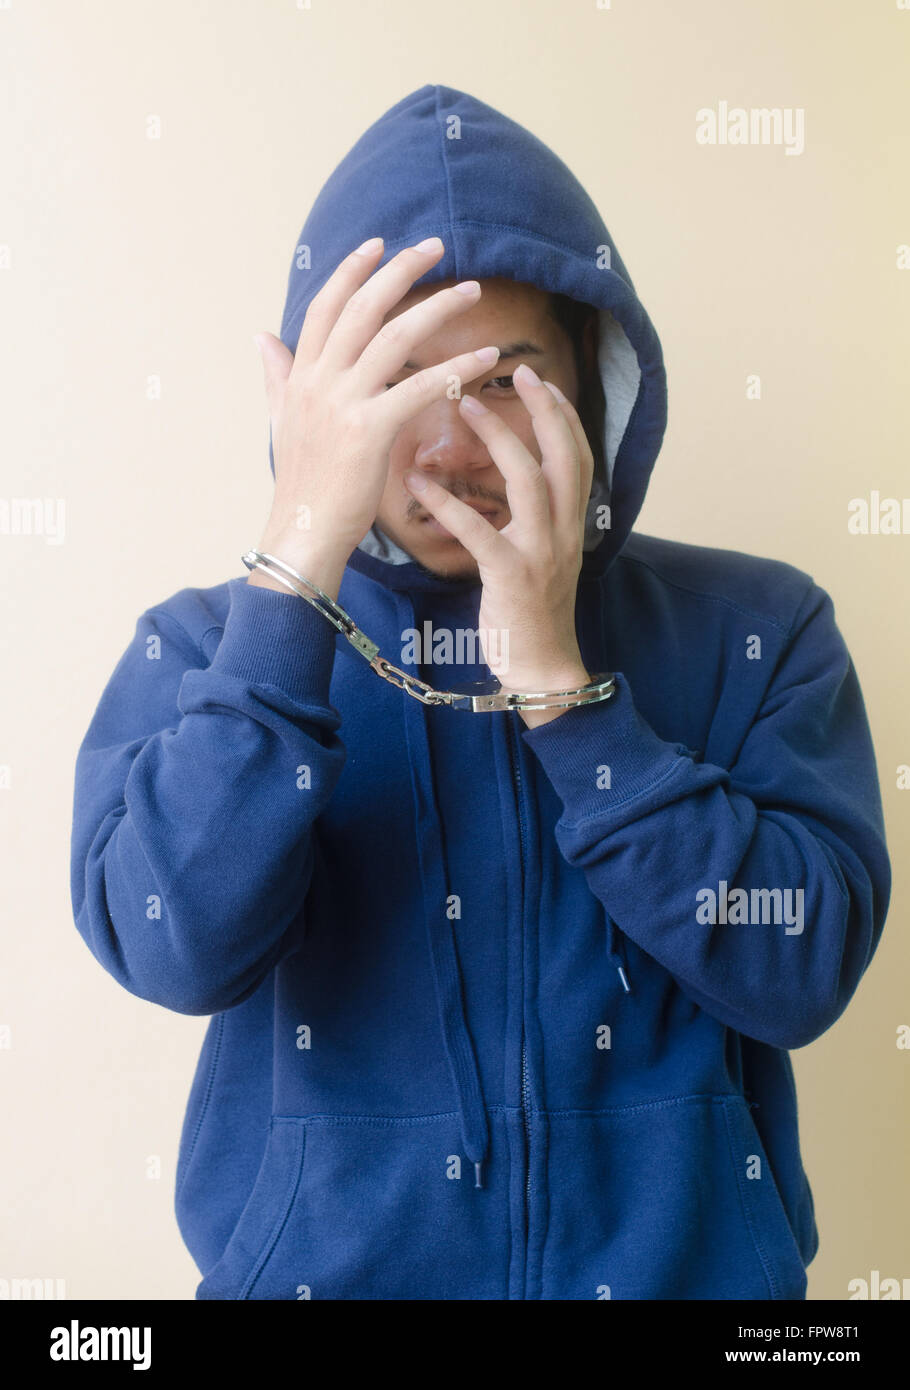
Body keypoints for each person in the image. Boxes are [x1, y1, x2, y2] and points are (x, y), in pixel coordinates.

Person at [70, 84, 890, 1301]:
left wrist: (570, 694)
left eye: (503, 378)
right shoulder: (201, 653)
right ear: (317, 400)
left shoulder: (760, 630)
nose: (452, 442)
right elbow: (171, 949)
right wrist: (291, 581)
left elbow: (805, 969)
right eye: (401, 377)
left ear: (591, 387)